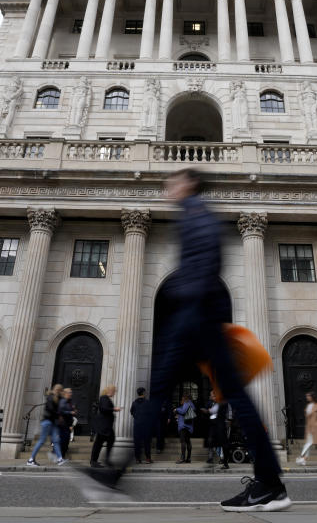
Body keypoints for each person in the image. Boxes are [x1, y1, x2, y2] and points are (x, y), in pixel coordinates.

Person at [79, 168, 290, 512]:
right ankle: (271, 483)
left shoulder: (198, 216)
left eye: (173, 182)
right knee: (231, 397)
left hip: (194, 319)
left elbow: (205, 267)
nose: (168, 187)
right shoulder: (196, 215)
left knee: (166, 392)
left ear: (189, 184)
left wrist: (182, 301)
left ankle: (113, 477)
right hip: (198, 318)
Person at [27, 384, 65, 466]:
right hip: (47, 422)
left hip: (52, 422)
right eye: (61, 391)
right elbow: (51, 410)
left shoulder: (56, 398)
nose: (62, 393)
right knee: (41, 441)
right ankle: (30, 460)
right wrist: (59, 416)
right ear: (59, 390)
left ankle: (60, 459)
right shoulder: (51, 397)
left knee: (56, 441)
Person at [90, 385, 120, 467]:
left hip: (106, 425)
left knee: (109, 440)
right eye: (113, 391)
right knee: (99, 443)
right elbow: (103, 409)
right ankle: (94, 461)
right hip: (103, 425)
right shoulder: (104, 398)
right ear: (109, 391)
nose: (114, 393)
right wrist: (114, 409)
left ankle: (103, 460)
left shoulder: (105, 398)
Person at [204, 389, 230, 468]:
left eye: (213, 395)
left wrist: (229, 420)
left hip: (222, 424)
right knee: (211, 440)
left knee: (224, 444)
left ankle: (224, 461)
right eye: (212, 395)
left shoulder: (222, 402)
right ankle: (212, 458)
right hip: (215, 425)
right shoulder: (213, 403)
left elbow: (228, 412)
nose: (212, 396)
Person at [131, 387, 152, 464]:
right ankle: (148, 458)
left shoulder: (134, 402)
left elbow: (132, 412)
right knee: (147, 441)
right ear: (143, 393)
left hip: (137, 424)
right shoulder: (147, 402)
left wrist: (137, 417)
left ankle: (137, 459)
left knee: (137, 442)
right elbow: (150, 413)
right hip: (145, 424)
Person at [175, 394, 196, 464]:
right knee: (188, 441)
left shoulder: (187, 403)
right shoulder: (192, 404)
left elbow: (183, 412)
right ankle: (188, 458)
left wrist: (176, 409)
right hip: (189, 427)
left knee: (183, 441)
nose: (182, 400)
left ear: (186, 398)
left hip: (184, 426)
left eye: (182, 399)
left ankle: (182, 458)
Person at [58, 388, 76, 460]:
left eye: (71, 392)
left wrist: (73, 410)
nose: (71, 394)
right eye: (70, 392)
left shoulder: (69, 401)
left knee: (66, 440)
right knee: (64, 440)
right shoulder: (63, 401)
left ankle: (61, 456)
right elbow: (61, 411)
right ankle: (59, 456)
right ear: (65, 393)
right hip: (63, 424)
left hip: (67, 424)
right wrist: (70, 412)